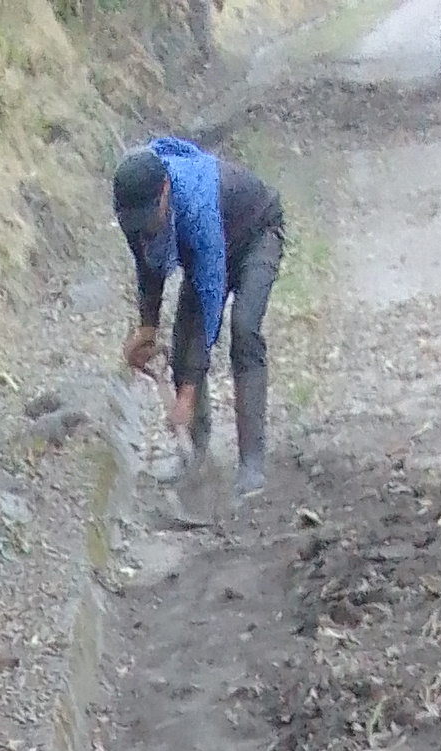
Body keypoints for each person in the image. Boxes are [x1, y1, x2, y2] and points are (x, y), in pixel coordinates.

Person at [112, 137, 284, 499]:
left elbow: (209, 305)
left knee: (244, 329)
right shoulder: (132, 208)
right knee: (181, 348)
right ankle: (196, 457)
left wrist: (186, 397)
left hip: (256, 234)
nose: (144, 227)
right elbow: (147, 266)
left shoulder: (196, 205)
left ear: (165, 190)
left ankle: (252, 463)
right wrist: (147, 327)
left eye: (150, 218)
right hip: (208, 248)